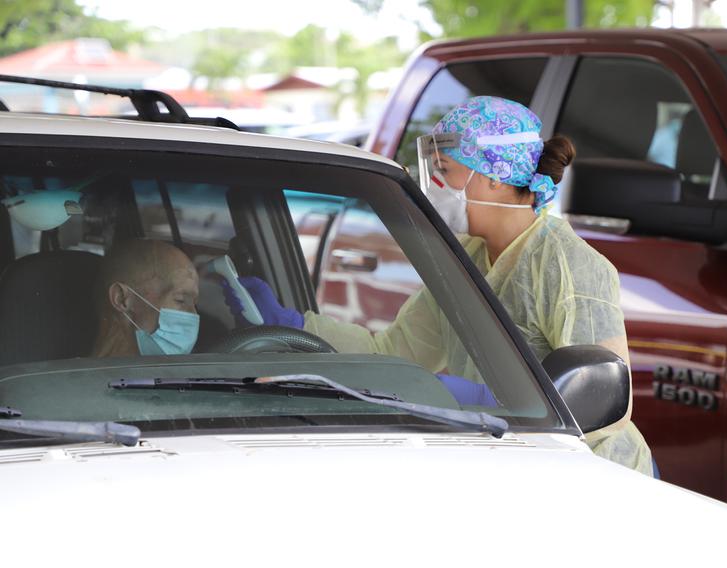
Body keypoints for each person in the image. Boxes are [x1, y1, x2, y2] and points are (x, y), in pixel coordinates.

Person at [225, 96, 653, 475]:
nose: (436, 188)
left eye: (445, 171)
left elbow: (607, 406)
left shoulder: (571, 266)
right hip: (507, 457)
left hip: (592, 473)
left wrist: (502, 399)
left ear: (494, 178)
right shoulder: (463, 257)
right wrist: (296, 326)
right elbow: (394, 354)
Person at [91, 239, 199, 358]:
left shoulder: (181, 375)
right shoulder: (75, 375)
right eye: (180, 300)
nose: (193, 314)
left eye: (194, 303)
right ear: (122, 298)